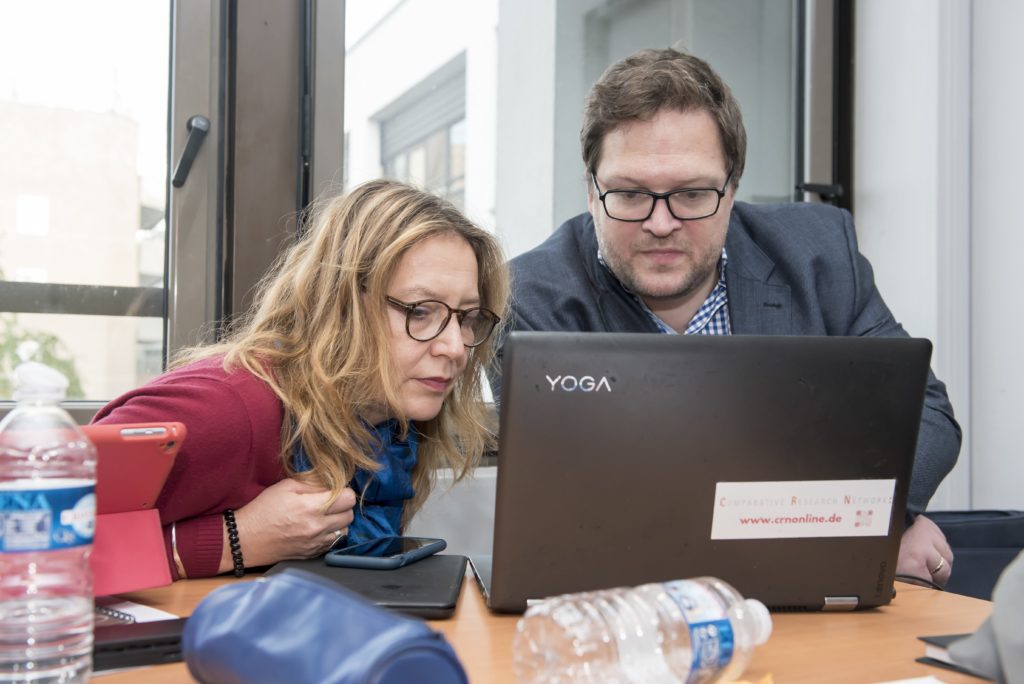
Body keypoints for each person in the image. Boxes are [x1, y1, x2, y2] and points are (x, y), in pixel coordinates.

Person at [496, 48, 960, 587]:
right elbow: (583, 503)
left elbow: (923, 414)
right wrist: (853, 532)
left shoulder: (819, 253)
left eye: (693, 194)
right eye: (630, 194)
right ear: (591, 192)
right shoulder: (528, 299)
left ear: (732, 189)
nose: (661, 223)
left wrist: (881, 519)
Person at [94, 179, 509, 579]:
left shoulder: (390, 422)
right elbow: (54, 543)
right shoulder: (226, 407)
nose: (456, 347)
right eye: (420, 311)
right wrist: (235, 539)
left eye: (468, 318)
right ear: (342, 305)